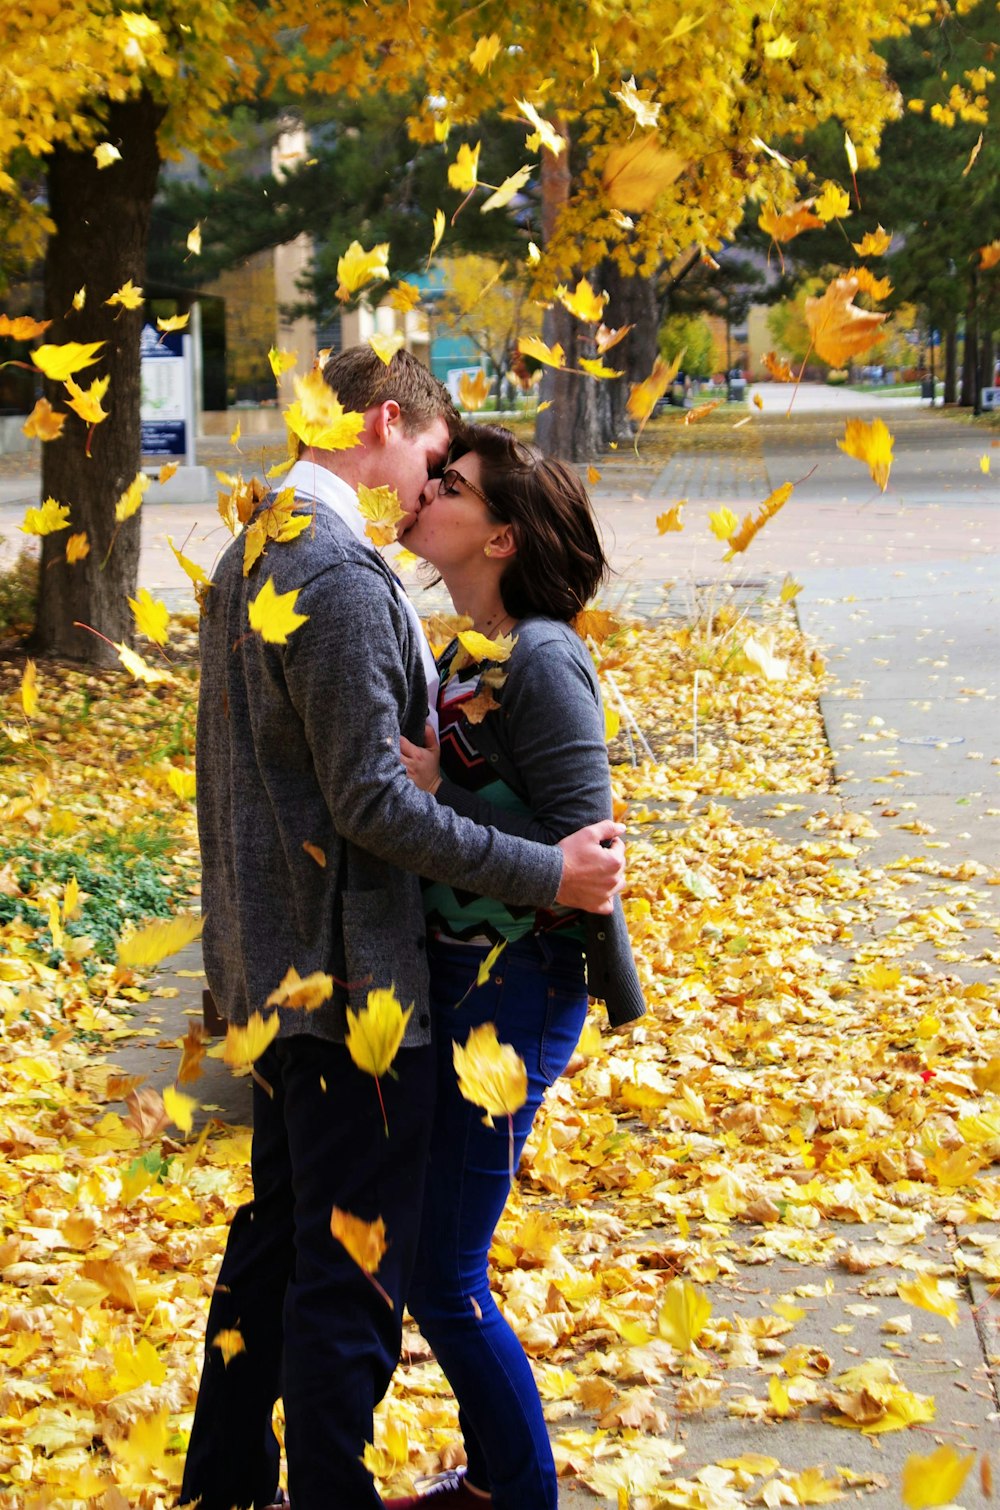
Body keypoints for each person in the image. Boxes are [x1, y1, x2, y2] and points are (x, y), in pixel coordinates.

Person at [179, 351, 626, 1510]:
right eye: (431, 464)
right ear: (387, 421)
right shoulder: (333, 572)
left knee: (281, 1241)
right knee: (348, 1278)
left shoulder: (256, 549)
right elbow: (373, 805)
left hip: (281, 974)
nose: (424, 495)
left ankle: (227, 1482)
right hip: (351, 995)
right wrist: (547, 874)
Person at [388, 425, 645, 1509]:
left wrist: (439, 792)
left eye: (447, 485)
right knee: (434, 1259)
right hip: (466, 977)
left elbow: (589, 856)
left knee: (442, 1276)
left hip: (520, 985)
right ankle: (494, 1480)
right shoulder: (467, 650)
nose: (425, 492)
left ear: (498, 534)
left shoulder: (540, 654)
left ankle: (519, 1492)